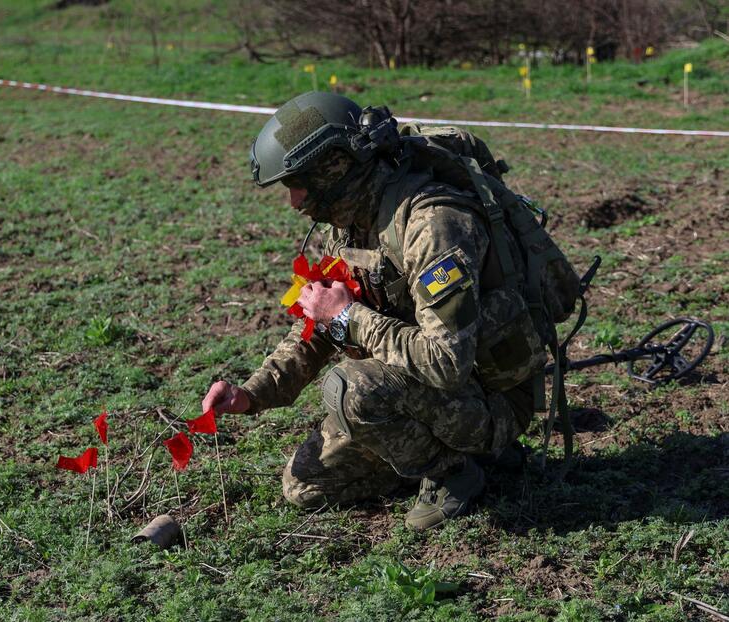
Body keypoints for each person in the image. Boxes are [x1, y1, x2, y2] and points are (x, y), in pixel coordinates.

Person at [201, 92, 545, 531]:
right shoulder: (349, 224)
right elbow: (319, 324)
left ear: (335, 167)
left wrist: (350, 317)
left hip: (486, 396)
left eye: (297, 184)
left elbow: (447, 364)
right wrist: (252, 393)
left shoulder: (432, 225)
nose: (293, 202)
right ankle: (444, 452)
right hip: (411, 392)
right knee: (304, 487)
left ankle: (455, 471)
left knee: (350, 388)